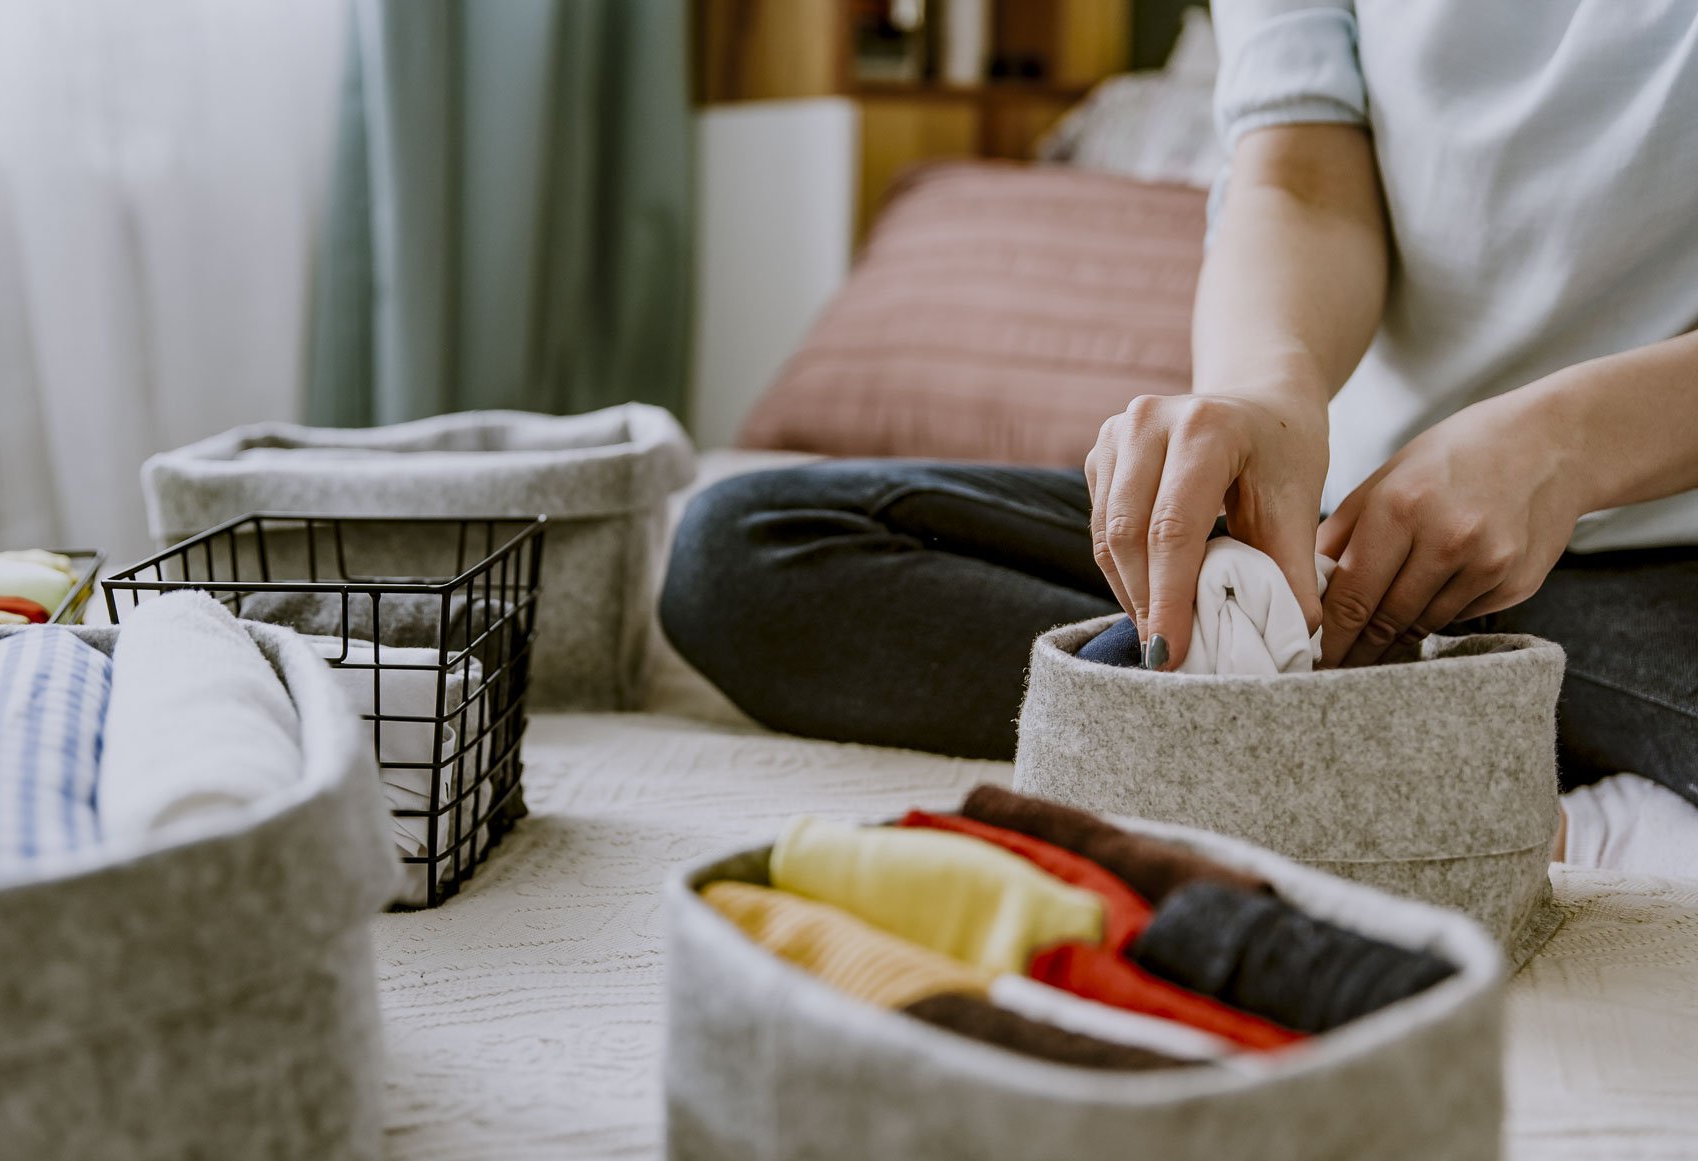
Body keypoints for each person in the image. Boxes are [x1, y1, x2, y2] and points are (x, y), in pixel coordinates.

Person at [659, 1, 1698, 811]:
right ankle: (1447, 768)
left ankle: (1307, 749)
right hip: (1340, 540)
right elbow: (1300, 180)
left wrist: (1569, 442)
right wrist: (1262, 393)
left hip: (1657, 555)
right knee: (742, 552)